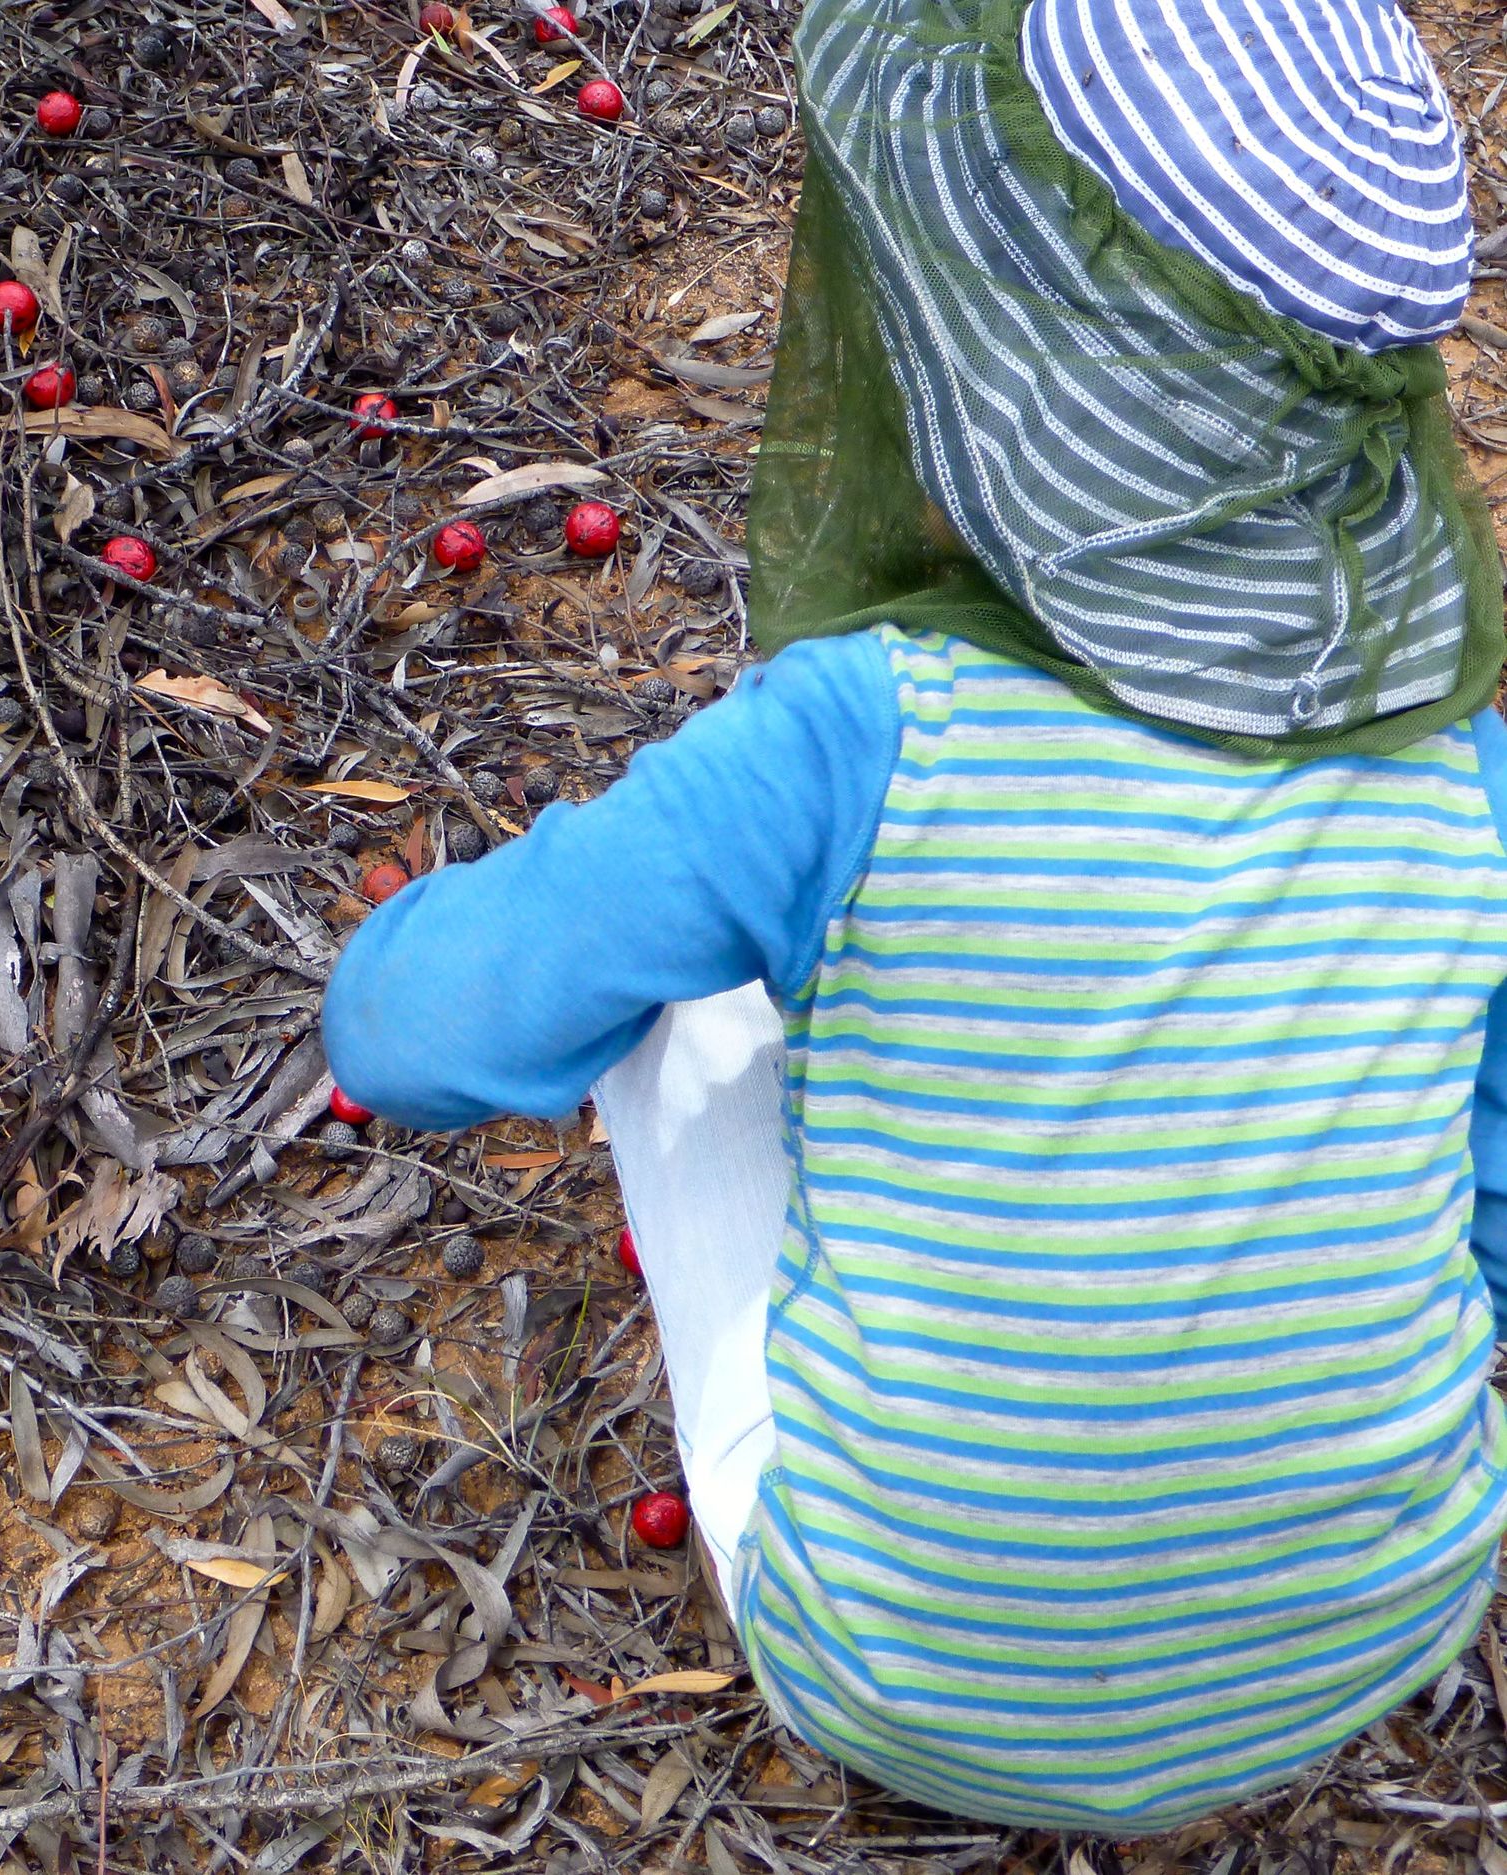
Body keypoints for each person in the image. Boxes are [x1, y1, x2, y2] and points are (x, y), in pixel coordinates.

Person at [323, 0, 1507, 1835]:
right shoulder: (1464, 764)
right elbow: (1485, 1203)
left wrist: (400, 949)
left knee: (698, 1007)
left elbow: (415, 1039)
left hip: (893, 1664)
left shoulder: (863, 730)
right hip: (1379, 1631)